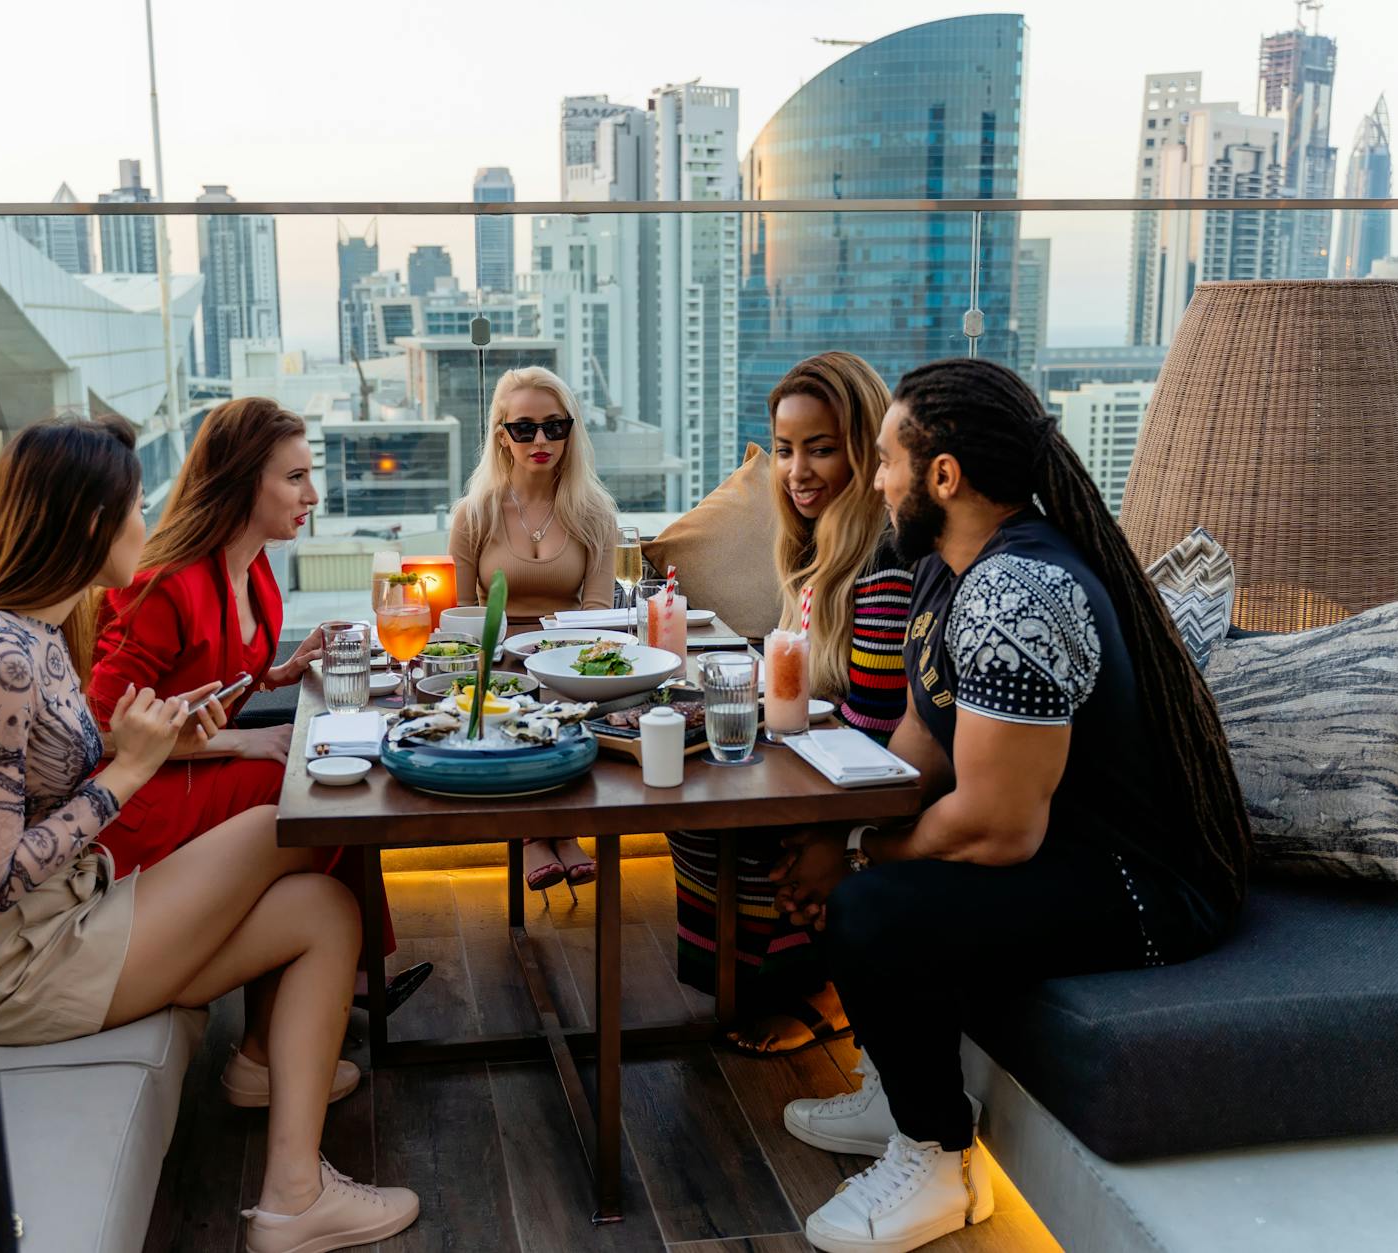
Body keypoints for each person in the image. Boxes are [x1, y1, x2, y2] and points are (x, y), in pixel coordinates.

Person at [0, 416, 418, 1252]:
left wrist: (166, 738)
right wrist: (128, 772)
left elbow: (64, 775)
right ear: (89, 520)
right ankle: (288, 1145)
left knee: (320, 909)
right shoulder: (1, 658)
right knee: (308, 814)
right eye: (133, 505)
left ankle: (293, 1196)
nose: (147, 521)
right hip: (15, 963)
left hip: (75, 910)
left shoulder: (44, 631)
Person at [770, 359, 1251, 1253]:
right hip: (1055, 852)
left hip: (1141, 887)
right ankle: (892, 1094)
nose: (873, 481)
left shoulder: (1016, 591)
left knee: (870, 909)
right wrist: (843, 829)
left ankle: (940, 1159)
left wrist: (862, 859)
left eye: (885, 461)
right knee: (854, 882)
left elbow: (997, 826)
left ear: (943, 476)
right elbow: (919, 738)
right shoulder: (944, 569)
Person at [88, 397, 430, 1020]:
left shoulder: (255, 572)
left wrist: (284, 671)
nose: (313, 496)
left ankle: (343, 978)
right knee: (307, 788)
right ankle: (334, 983)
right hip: (140, 803)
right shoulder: (166, 583)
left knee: (330, 770)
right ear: (245, 481)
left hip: (188, 773)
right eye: (295, 478)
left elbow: (211, 678)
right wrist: (239, 742)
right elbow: (101, 730)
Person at [666, 352, 914, 1056]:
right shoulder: (815, 548)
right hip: (824, 757)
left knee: (730, 815)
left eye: (821, 449)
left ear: (865, 451)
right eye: (784, 450)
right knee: (693, 802)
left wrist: (830, 834)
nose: (797, 470)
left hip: (864, 781)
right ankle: (765, 978)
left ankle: (826, 986)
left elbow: (874, 724)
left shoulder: (881, 558)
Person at [448, 365, 620, 892]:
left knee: (556, 699)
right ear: (503, 437)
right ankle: (540, 837)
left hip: (571, 659)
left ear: (571, 431)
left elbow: (596, 611)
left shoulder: (594, 514)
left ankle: (555, 833)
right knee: (519, 704)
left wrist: (555, 660)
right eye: (524, 428)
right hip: (497, 664)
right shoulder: (474, 515)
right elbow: (463, 619)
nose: (541, 440)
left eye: (555, 426)